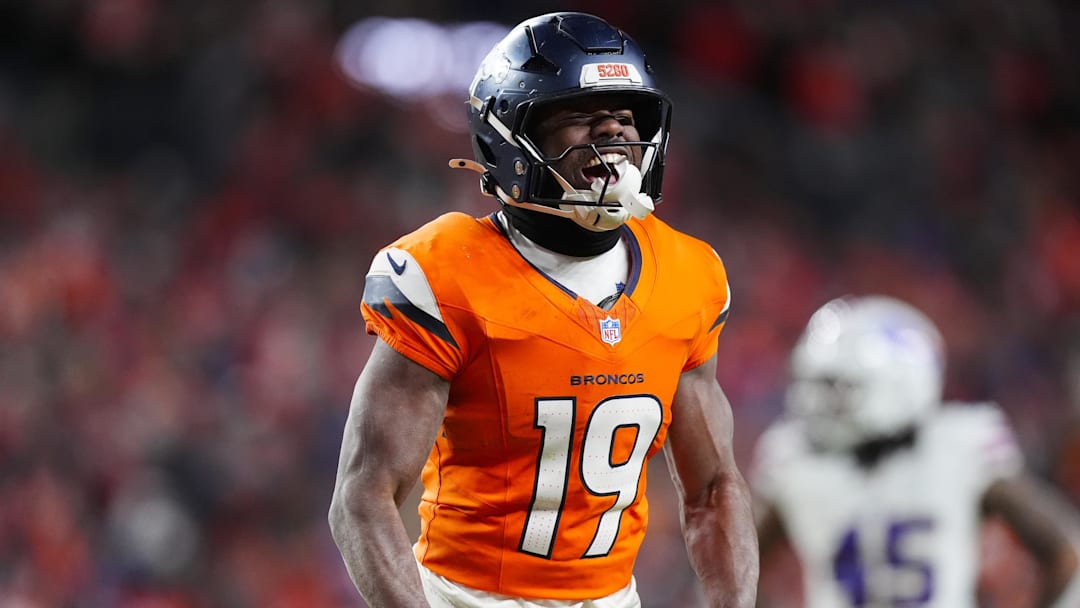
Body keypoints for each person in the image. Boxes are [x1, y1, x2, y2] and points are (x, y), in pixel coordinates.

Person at [328, 11, 759, 608]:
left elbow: (713, 489)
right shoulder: (447, 271)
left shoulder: (689, 275)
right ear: (511, 139)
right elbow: (364, 495)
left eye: (625, 118)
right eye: (581, 118)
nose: (613, 138)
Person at [751, 295, 1080, 608]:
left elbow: (1064, 554)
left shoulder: (957, 448)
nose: (818, 406)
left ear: (898, 384)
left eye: (839, 390)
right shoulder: (798, 460)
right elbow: (732, 566)